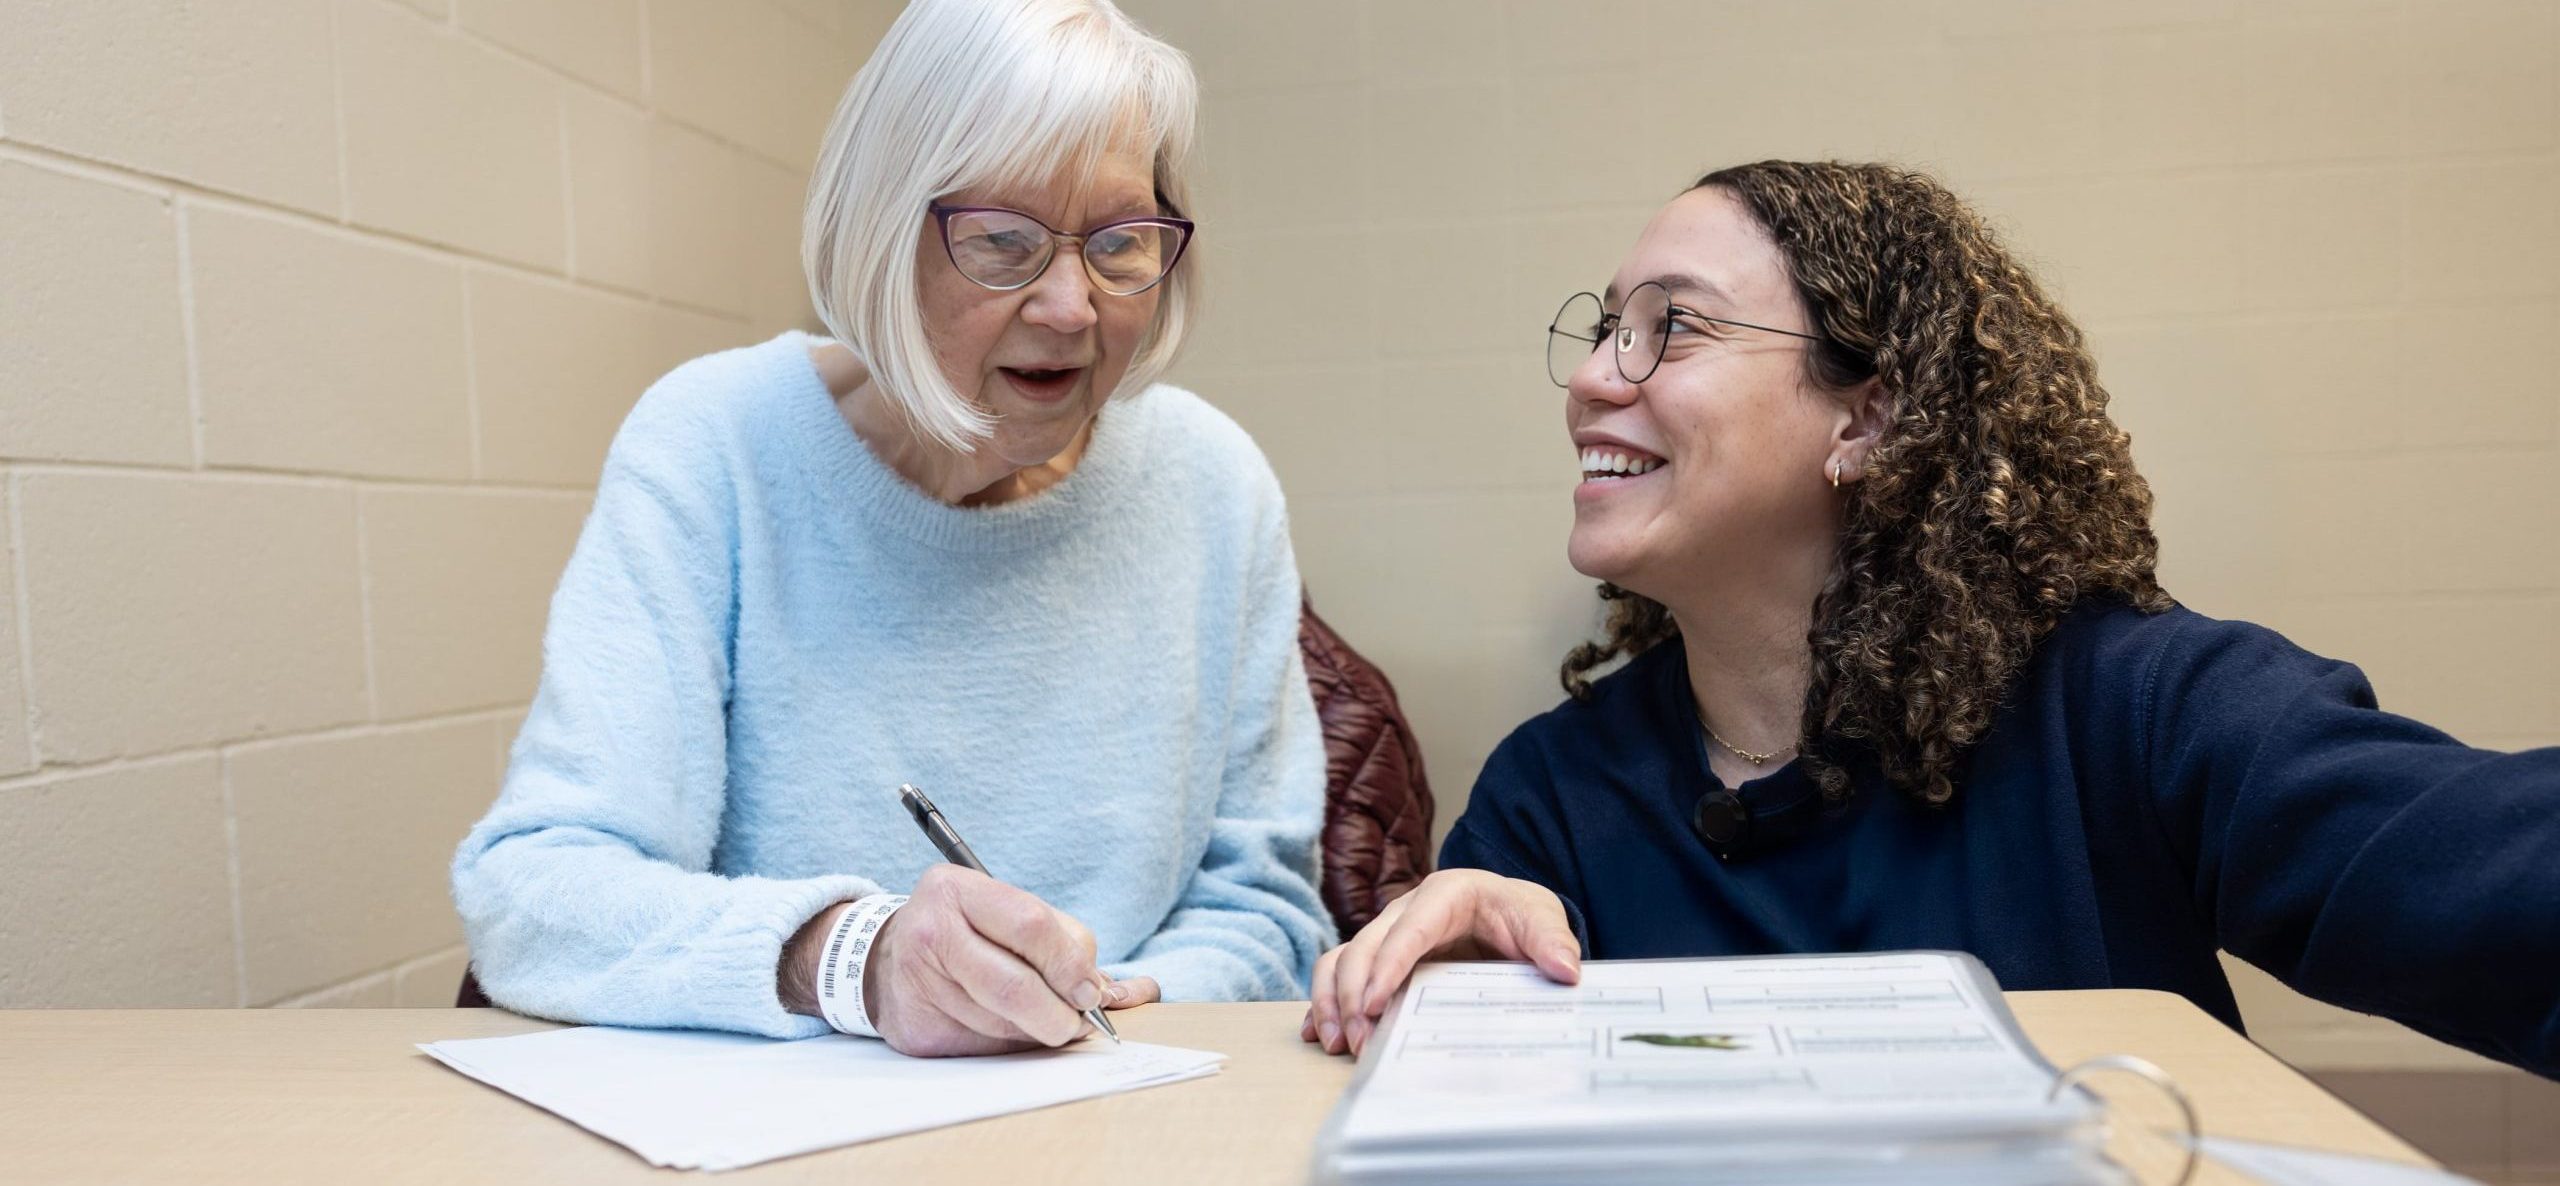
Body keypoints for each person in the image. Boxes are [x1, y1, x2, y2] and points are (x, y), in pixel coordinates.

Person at [1301, 160, 2560, 1078]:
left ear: (1866, 420)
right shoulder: (1550, 799)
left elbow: (2496, 877)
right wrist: (1454, 1015)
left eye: (1668, 329)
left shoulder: (2132, 712)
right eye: (1601, 332)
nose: (1588, 382)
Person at [453, 0, 1334, 1057]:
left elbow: (1269, 911)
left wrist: (1091, 1014)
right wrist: (853, 959)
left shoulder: (1214, 481)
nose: (1071, 305)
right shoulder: (715, 445)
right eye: (1004, 242)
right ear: (879, 226)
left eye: (1119, 244)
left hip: (1131, 1098)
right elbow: (537, 892)